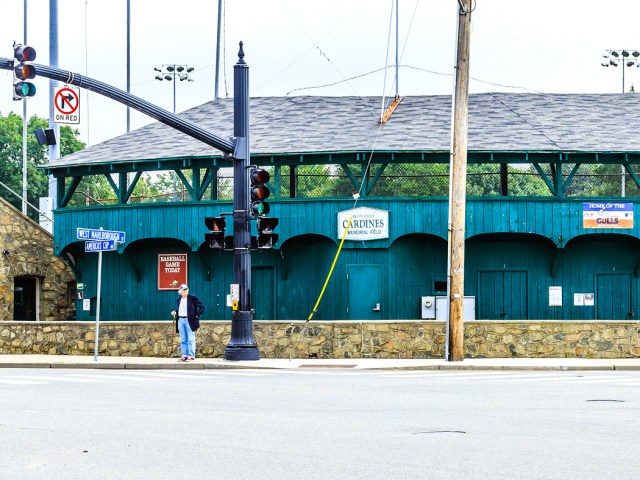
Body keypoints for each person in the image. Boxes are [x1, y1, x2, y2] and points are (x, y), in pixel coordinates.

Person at [170, 284, 204, 362]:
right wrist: (175, 312)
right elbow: (181, 310)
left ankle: (191, 356)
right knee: (183, 339)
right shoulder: (179, 299)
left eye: (186, 289)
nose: (185, 291)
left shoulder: (192, 298)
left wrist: (197, 315)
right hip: (181, 320)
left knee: (190, 338)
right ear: (180, 291)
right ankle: (184, 356)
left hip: (189, 320)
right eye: (183, 290)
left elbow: (202, 307)